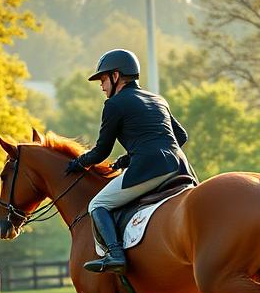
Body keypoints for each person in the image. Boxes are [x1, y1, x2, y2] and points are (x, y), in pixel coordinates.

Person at [65, 48, 196, 274]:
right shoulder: (157, 99)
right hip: (181, 167)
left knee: (97, 205)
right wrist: (129, 157)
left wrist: (77, 163)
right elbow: (181, 136)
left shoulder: (114, 105)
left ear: (116, 76)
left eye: (103, 79)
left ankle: (115, 254)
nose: (101, 86)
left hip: (150, 169)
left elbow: (100, 152)